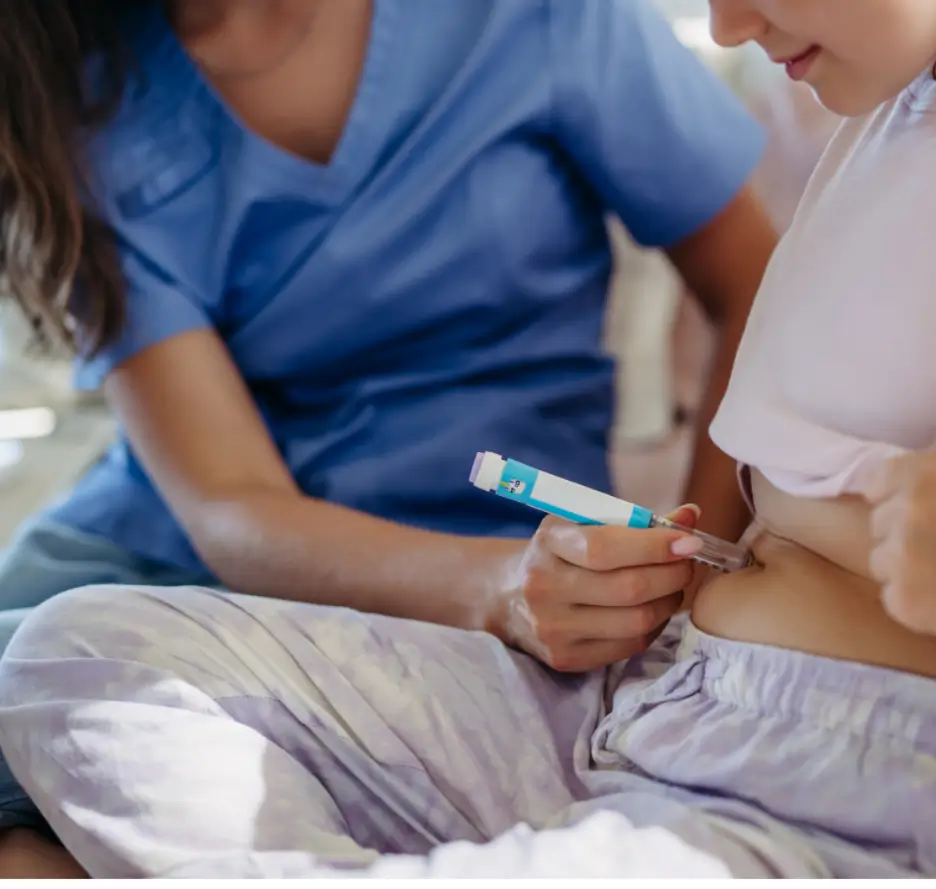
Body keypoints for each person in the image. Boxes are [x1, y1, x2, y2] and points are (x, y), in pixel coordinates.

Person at [4, 0, 936, 878]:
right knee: (74, 650)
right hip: (647, 707)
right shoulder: (899, 107)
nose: (725, 23)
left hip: (876, 793)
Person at [0, 0, 777, 874]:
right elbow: (230, 505)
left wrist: (680, 579)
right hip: (167, 553)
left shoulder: (536, 15)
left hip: (501, 576)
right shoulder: (64, 92)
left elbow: (754, 284)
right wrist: (499, 591)